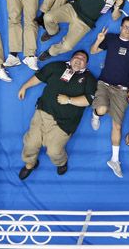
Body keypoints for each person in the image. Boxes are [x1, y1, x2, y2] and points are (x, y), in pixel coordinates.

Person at [16, 51, 97, 179]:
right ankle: (30, 164)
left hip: (64, 123)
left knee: (54, 151)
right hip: (42, 113)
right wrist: (24, 86)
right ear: (70, 59)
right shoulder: (57, 66)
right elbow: (40, 76)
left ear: (86, 64)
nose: (79, 60)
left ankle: (62, 163)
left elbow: (89, 100)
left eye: (82, 59)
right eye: (76, 57)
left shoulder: (90, 79)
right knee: (31, 143)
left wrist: (69, 100)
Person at [88, 17, 129, 178]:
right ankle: (95, 115)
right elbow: (93, 51)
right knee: (102, 109)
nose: (128, 30)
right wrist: (98, 40)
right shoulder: (111, 38)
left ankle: (115, 160)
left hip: (122, 89)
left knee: (118, 126)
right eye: (125, 27)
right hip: (104, 84)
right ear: (121, 27)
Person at [37, 0, 129, 61]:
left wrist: (117, 6)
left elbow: (115, 17)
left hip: (85, 22)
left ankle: (51, 52)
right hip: (73, 8)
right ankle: (53, 31)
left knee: (67, 46)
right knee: (48, 17)